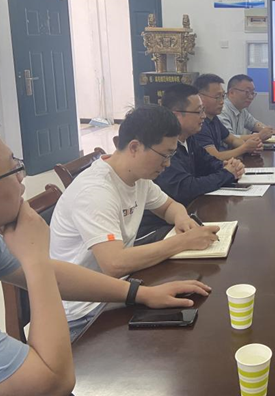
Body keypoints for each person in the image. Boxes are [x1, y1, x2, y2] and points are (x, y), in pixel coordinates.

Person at [0, 111, 210, 396]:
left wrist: (142, 294)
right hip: (80, 321)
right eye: (13, 169)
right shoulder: (95, 189)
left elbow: (57, 275)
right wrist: (36, 261)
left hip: (92, 310)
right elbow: (55, 384)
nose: (22, 179)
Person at [49, 105, 221, 339]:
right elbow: (114, 263)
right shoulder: (95, 192)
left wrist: (182, 220)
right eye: (165, 155)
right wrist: (183, 242)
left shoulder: (137, 177)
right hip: (86, 313)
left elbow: (169, 206)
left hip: (121, 288)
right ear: (134, 147)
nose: (168, 164)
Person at [136, 84, 245, 244]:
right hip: (156, 229)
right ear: (176, 115)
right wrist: (226, 174)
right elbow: (186, 188)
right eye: (198, 111)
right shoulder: (161, 148)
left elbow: (209, 164)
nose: (203, 116)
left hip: (181, 219)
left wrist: (229, 167)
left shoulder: (189, 139)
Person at [194, 73, 263, 161]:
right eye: (217, 97)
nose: (222, 102)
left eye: (223, 96)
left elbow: (232, 140)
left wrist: (253, 147)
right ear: (200, 98)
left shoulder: (213, 118)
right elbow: (215, 156)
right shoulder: (199, 124)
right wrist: (245, 148)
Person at [220, 74, 274, 141]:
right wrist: (259, 136)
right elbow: (230, 139)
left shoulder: (241, 110)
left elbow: (254, 124)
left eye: (252, 93)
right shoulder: (221, 111)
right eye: (247, 92)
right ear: (231, 92)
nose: (251, 97)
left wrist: (267, 130)